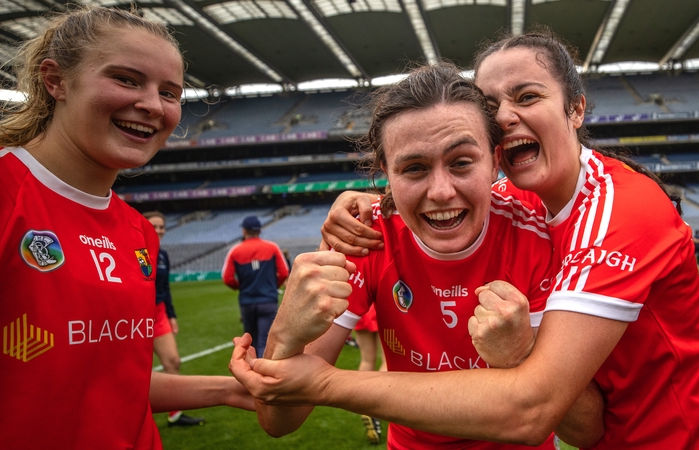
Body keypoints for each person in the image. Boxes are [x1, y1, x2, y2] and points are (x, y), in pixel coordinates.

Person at [233, 28, 699, 449]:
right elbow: (278, 421)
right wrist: (286, 335)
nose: (506, 116)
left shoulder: (610, 212)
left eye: (527, 96)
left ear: (576, 108)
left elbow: (539, 409)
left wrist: (325, 383)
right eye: (492, 104)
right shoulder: (376, 228)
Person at [231, 63, 605, 449]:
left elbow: (585, 430)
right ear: (385, 174)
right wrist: (284, 333)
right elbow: (278, 420)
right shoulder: (366, 237)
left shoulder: (538, 236)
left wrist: (522, 351)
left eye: (461, 162)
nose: (441, 191)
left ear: (495, 161)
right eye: (414, 168)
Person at [0, 7, 252, 448]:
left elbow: (107, 382)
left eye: (170, 92)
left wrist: (233, 389)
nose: (152, 104)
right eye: (127, 80)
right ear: (55, 80)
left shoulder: (138, 231)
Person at [143, 211, 205, 427]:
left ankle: (174, 414)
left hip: (159, 312)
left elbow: (165, 288)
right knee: (134, 369)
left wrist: (171, 315)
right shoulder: (134, 250)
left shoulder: (162, 255)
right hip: (137, 314)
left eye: (162, 227)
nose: (159, 231)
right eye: (154, 226)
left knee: (173, 361)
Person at [222, 215, 290, 358]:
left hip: (247, 301)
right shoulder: (272, 248)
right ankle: (263, 373)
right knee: (264, 341)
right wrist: (273, 286)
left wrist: (239, 287)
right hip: (268, 301)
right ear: (259, 230)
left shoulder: (235, 251)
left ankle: (249, 372)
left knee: (249, 340)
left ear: (244, 231)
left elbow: (227, 278)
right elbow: (284, 272)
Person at [352, 304, 386, 444]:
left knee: (366, 360)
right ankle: (375, 406)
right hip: (379, 307)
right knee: (388, 361)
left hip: (360, 309)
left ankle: (365, 406)